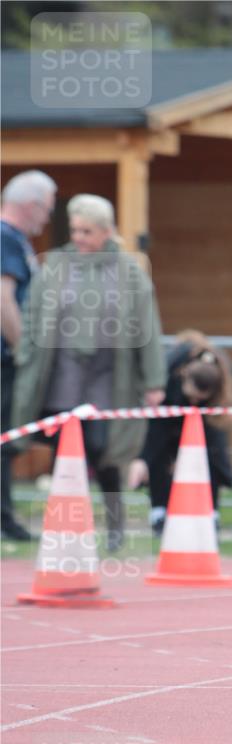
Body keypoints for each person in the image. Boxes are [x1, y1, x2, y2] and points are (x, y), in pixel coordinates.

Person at [12, 194, 166, 551]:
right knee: (64, 450)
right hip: (62, 374)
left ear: (106, 231)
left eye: (87, 231)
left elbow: (149, 326)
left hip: (108, 375)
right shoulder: (56, 266)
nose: (79, 237)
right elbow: (32, 311)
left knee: (103, 449)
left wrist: (154, 380)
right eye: (75, 230)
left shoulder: (129, 271)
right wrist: (25, 353)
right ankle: (63, 528)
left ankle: (115, 527)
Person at [128, 330, 232, 534]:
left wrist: (190, 455)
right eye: (191, 396)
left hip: (205, 422)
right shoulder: (168, 372)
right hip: (168, 417)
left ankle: (211, 513)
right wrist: (143, 458)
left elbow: (215, 434)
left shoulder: (222, 379)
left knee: (211, 457)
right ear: (183, 376)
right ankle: (159, 512)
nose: (194, 402)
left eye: (199, 399)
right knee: (158, 456)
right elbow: (156, 428)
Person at [1, 170, 57, 541]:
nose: (48, 219)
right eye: (47, 210)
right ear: (31, 205)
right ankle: (5, 519)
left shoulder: (14, 240)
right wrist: (24, 351)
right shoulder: (5, 238)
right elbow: (3, 299)